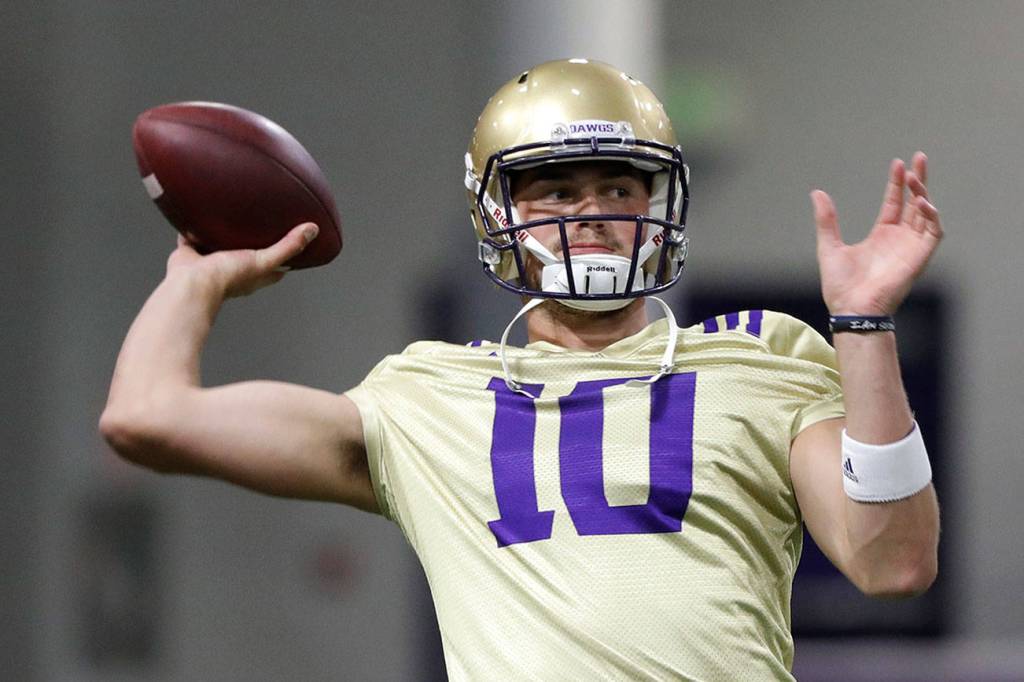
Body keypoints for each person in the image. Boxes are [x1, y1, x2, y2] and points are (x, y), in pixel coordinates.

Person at [101, 58, 942, 680]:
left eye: (620, 189)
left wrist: (864, 323)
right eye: (558, 191)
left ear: (658, 205)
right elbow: (147, 415)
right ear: (496, 213)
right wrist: (195, 282)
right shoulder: (425, 397)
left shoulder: (760, 355)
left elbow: (892, 564)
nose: (594, 214)